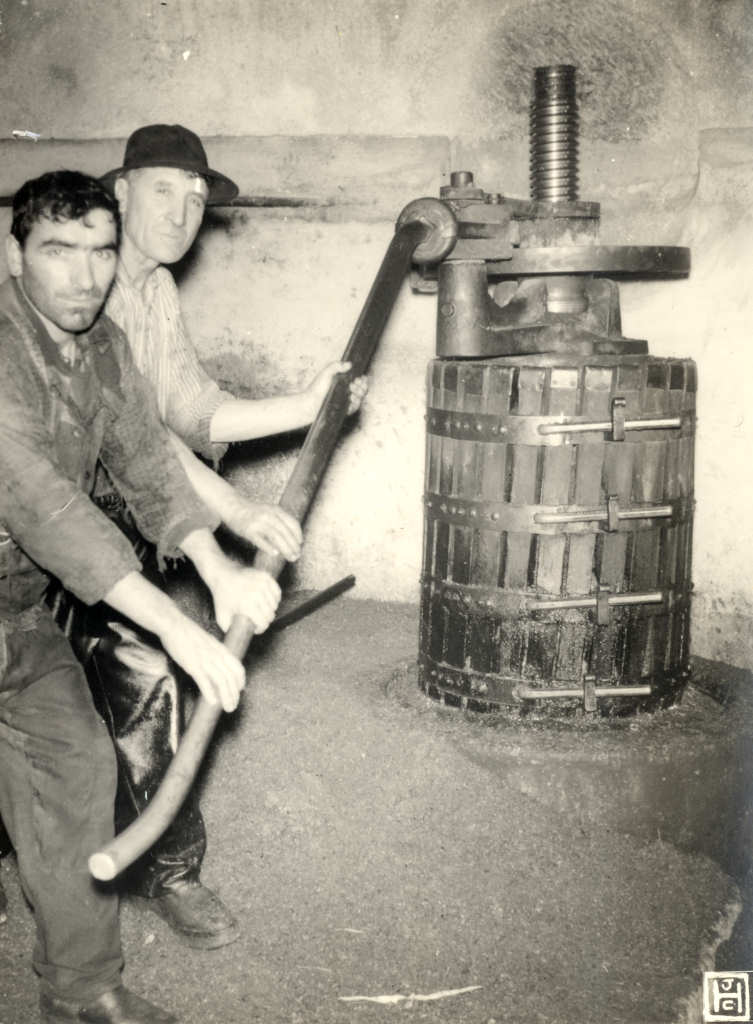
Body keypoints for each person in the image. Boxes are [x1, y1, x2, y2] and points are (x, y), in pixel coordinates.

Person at [58, 124, 367, 951]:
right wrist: (231, 509)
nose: (183, 211)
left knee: (131, 677)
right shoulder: (84, 286)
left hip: (112, 510)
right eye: (164, 190)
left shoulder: (153, 288)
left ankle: (166, 870)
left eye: (196, 199)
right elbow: (140, 436)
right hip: (44, 517)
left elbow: (189, 409)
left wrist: (306, 404)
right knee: (78, 683)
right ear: (119, 191)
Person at [0, 170, 282, 1022]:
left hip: (14, 610)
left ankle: (81, 990)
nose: (84, 277)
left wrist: (218, 568)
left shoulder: (104, 345)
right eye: (58, 251)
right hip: (29, 562)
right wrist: (180, 632)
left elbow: (149, 465)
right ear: (15, 255)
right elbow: (46, 508)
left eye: (100, 252)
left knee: (76, 764)